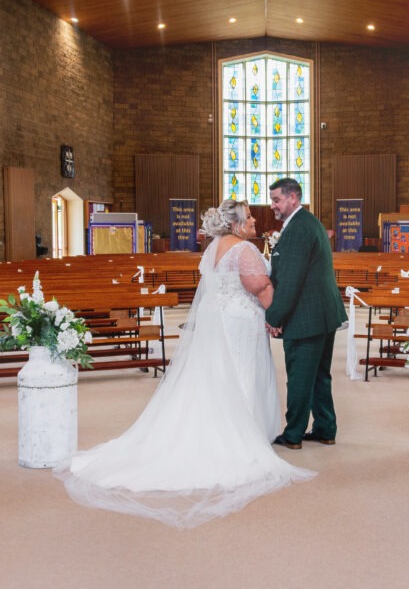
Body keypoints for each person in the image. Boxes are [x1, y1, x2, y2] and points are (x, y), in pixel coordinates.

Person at [53, 199, 314, 528]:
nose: (253, 222)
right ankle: (240, 432)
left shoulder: (214, 248)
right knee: (240, 372)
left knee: (215, 374)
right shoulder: (244, 250)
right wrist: (276, 316)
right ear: (235, 224)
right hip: (237, 321)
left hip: (216, 317)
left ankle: (222, 423)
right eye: (248, 217)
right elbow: (259, 286)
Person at [265, 178, 347, 449]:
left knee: (300, 377)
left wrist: (274, 316)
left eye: (277, 200)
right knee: (319, 375)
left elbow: (291, 280)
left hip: (306, 317)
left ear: (293, 198)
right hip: (322, 314)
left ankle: (293, 434)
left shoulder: (298, 228)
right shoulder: (308, 223)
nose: (273, 205)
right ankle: (325, 428)